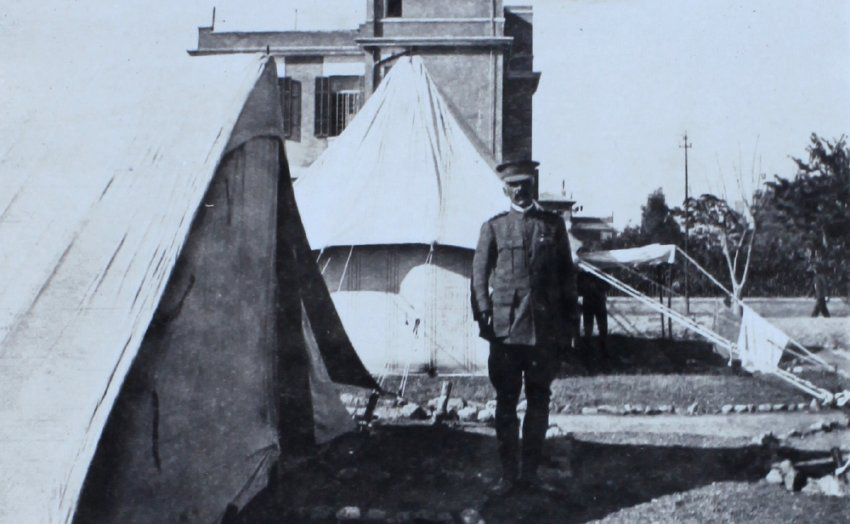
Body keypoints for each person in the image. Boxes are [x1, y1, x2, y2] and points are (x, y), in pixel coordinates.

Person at [471, 159, 578, 495]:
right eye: (513, 184)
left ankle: (530, 474)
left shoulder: (552, 225)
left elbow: (566, 278)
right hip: (504, 332)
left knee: (539, 400)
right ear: (505, 188)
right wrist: (484, 313)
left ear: (533, 184)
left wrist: (569, 326)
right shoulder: (494, 227)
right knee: (505, 402)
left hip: (543, 330)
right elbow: (477, 277)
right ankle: (507, 475)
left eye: (525, 183)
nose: (520, 190)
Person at [577, 268, 609, 360]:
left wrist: (597, 287)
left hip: (599, 302)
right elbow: (579, 287)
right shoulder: (583, 273)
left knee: (603, 328)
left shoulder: (601, 272)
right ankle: (587, 350)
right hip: (588, 302)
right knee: (588, 328)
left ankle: (603, 349)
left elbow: (607, 286)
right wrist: (587, 287)